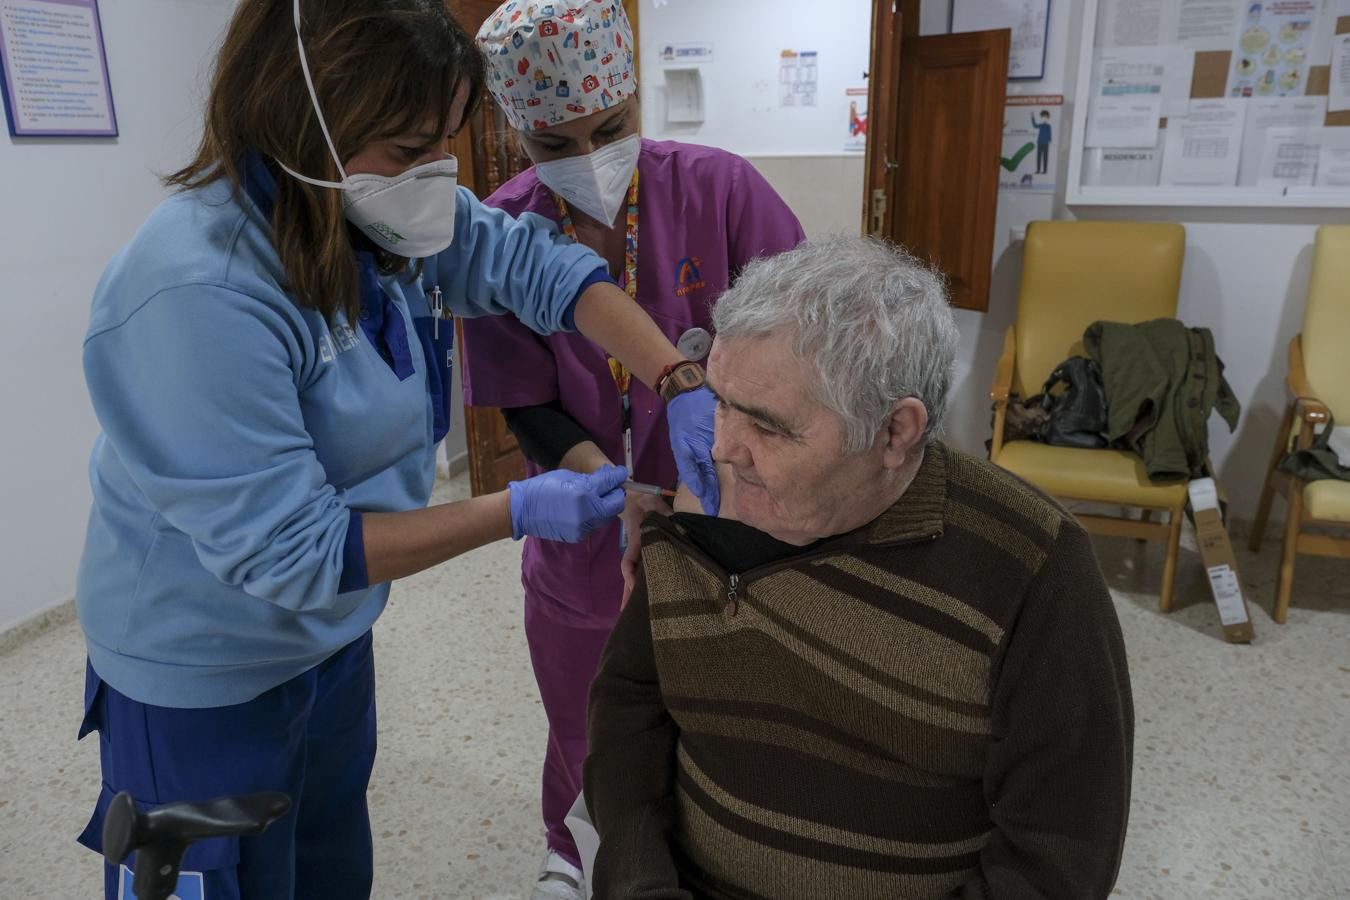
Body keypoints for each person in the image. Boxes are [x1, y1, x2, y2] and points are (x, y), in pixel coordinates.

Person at [71, 1, 720, 898]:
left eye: (447, 141)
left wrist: (676, 381)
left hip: (331, 636)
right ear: (302, 122)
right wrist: (518, 509)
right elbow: (296, 550)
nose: (438, 175)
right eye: (409, 148)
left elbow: (545, 271)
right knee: (225, 877)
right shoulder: (196, 290)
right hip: (201, 671)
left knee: (329, 864)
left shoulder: (373, 217)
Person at [584, 238, 1135, 900]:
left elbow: (1059, 851)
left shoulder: (1030, 568)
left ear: (895, 432)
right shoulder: (702, 512)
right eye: (721, 399)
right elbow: (629, 704)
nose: (723, 448)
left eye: (767, 425)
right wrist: (639, 877)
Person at [462, 3, 806, 896]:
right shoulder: (502, 232)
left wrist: (717, 453)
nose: (588, 157)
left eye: (609, 129)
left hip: (724, 503)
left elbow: (802, 341)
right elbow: (525, 402)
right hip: (587, 519)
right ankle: (571, 849)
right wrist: (609, 487)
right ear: (515, 133)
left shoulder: (720, 189)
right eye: (553, 141)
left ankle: (698, 850)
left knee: (718, 701)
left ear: (634, 97)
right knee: (582, 705)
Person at [1033, 109, 1053, 175]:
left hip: (1046, 143)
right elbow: (1035, 125)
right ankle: (1038, 170)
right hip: (1039, 142)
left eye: (1046, 117)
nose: (1044, 118)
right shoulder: (1040, 125)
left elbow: (1050, 133)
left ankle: (1044, 170)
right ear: (1041, 117)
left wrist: (1050, 140)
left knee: (1045, 157)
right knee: (1039, 157)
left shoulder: (1048, 126)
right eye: (1043, 117)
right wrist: (1032, 117)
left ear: (1048, 118)